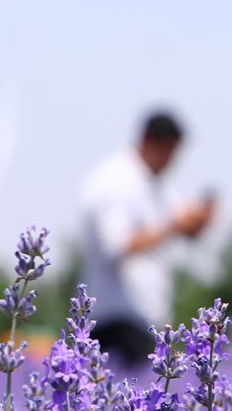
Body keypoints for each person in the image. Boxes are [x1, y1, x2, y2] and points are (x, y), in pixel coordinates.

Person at [80, 110, 215, 365]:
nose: (172, 162)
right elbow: (118, 244)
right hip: (117, 319)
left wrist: (198, 222)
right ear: (151, 142)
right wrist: (173, 226)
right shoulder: (116, 180)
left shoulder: (155, 183)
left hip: (146, 319)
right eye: (170, 153)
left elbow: (179, 227)